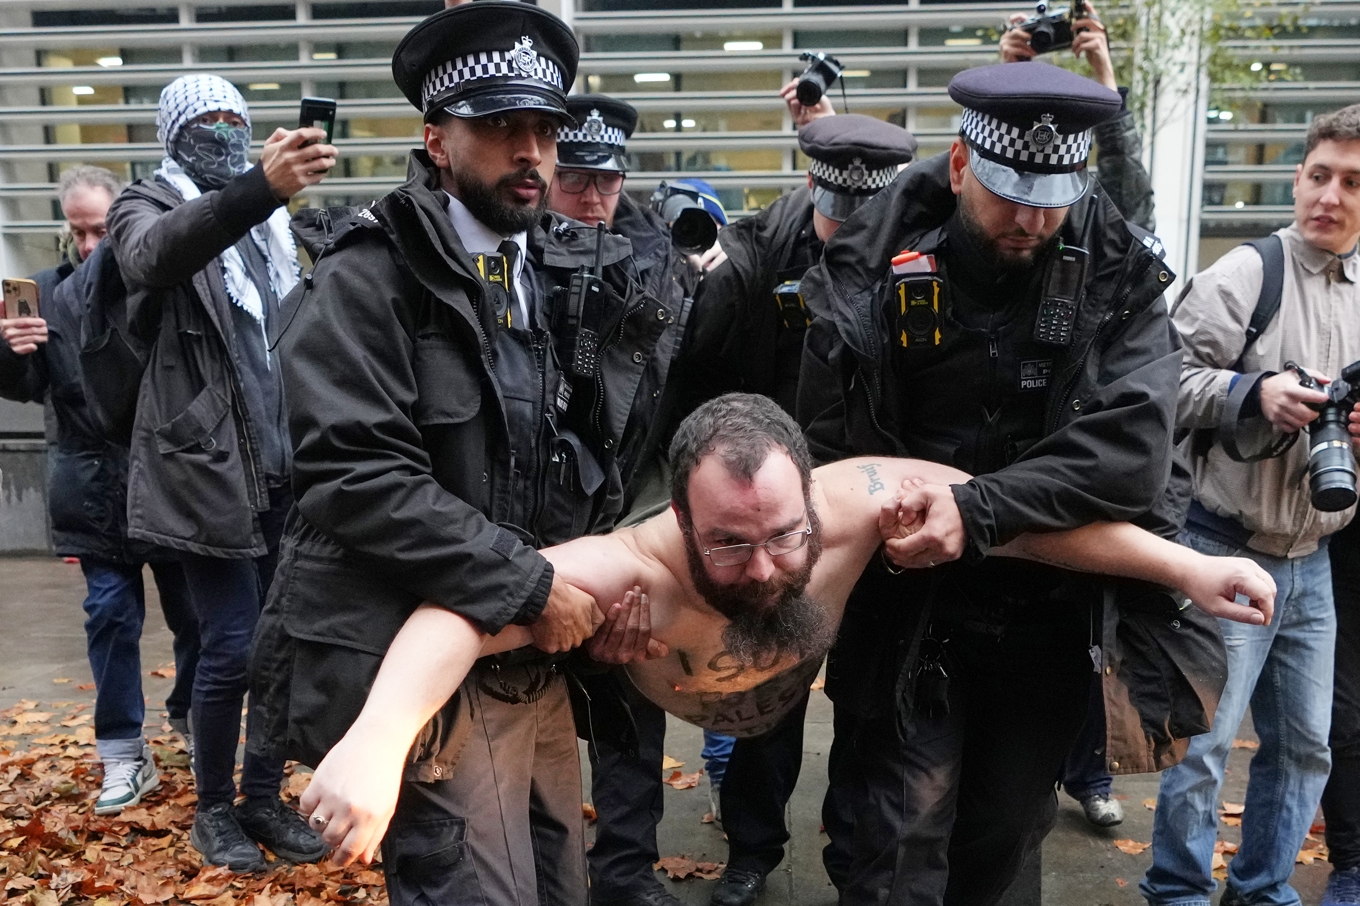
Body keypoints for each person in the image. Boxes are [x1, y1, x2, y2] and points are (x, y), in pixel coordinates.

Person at [296, 392, 1273, 866]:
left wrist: (1188, 564)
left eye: (782, 537)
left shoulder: (854, 500)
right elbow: (458, 611)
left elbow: (1029, 523)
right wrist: (376, 742)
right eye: (729, 544)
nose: (765, 568)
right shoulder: (628, 566)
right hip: (642, 693)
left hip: (793, 696)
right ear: (681, 523)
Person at [245, 5, 682, 905]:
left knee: (563, 888)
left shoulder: (555, 273)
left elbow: (577, 460)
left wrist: (609, 588)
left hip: (536, 658)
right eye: (499, 128)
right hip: (430, 668)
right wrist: (529, 584)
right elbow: (354, 476)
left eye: (543, 130)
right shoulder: (372, 272)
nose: (531, 152)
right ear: (437, 141)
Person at [797, 61, 1194, 905]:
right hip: (903, 608)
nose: (1030, 218)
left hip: (1042, 619)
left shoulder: (1118, 276)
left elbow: (1130, 455)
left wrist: (977, 509)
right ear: (958, 166)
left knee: (1005, 838)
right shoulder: (865, 275)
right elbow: (825, 445)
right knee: (890, 846)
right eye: (1009, 191)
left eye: (1053, 196)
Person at [680, 112, 918, 905]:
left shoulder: (924, 252)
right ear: (812, 187)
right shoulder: (751, 262)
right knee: (768, 690)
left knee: (876, 695)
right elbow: (693, 381)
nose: (853, 236)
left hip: (884, 513)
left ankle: (855, 856)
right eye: (837, 219)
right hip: (774, 527)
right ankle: (752, 851)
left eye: (869, 222)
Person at [105, 73, 335, 871]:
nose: (225, 131)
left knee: (280, 644)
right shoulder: (146, 204)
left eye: (237, 119)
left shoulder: (276, 226)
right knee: (232, 644)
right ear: (172, 133)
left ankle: (263, 796)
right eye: (205, 120)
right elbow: (155, 256)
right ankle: (213, 809)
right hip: (202, 467)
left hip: (284, 466)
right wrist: (255, 189)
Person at [1141, 103, 1360, 906]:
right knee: (1203, 745)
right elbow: (1158, 383)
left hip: (1315, 563)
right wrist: (1251, 392)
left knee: (1307, 747)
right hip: (1223, 545)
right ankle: (1178, 891)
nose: (1330, 196)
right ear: (1298, 178)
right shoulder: (1247, 273)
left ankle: (1264, 891)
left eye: (1352, 183)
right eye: (1318, 176)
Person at [1000, 0, 1158, 830]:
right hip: (1005, 467)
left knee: (1090, 643)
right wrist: (1015, 73)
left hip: (1080, 466)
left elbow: (1131, 197)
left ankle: (1088, 773)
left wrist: (1103, 78)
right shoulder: (1008, 225)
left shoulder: (1108, 239)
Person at [545, 92, 705, 906]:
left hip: (621, 525)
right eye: (575, 178)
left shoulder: (662, 264)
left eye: (606, 179)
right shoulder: (506, 256)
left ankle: (625, 872)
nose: (594, 196)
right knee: (519, 722)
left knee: (631, 711)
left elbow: (680, 407)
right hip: (525, 530)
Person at [0, 165, 201, 816]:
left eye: (101, 230)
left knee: (197, 616)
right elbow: (28, 389)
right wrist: (15, 351)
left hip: (168, 481)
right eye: (77, 232)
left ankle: (192, 715)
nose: (88, 247)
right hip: (91, 483)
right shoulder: (50, 293)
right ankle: (121, 752)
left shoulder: (160, 285)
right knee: (111, 616)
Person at [999, 0, 1155, 231]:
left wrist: (1107, 81)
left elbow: (1132, 225)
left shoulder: (1083, 233)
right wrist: (1005, 86)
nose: (1032, 222)